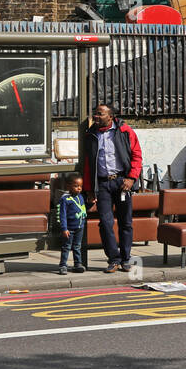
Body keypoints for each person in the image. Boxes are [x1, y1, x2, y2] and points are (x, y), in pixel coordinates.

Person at [82, 103, 143, 272]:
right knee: (106, 223)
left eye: (100, 114)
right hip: (102, 185)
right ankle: (113, 259)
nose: (96, 116)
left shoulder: (125, 131)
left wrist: (131, 178)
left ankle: (125, 259)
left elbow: (137, 156)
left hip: (122, 182)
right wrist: (89, 189)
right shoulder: (91, 134)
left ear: (110, 117)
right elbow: (88, 164)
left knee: (126, 222)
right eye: (95, 113)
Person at [57, 174, 87, 275]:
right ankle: (63, 265)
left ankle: (77, 264)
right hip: (69, 228)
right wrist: (64, 228)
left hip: (79, 227)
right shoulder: (65, 199)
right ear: (68, 186)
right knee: (66, 247)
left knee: (77, 246)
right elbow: (63, 215)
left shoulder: (81, 197)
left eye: (80, 186)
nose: (79, 188)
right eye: (76, 186)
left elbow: (82, 209)